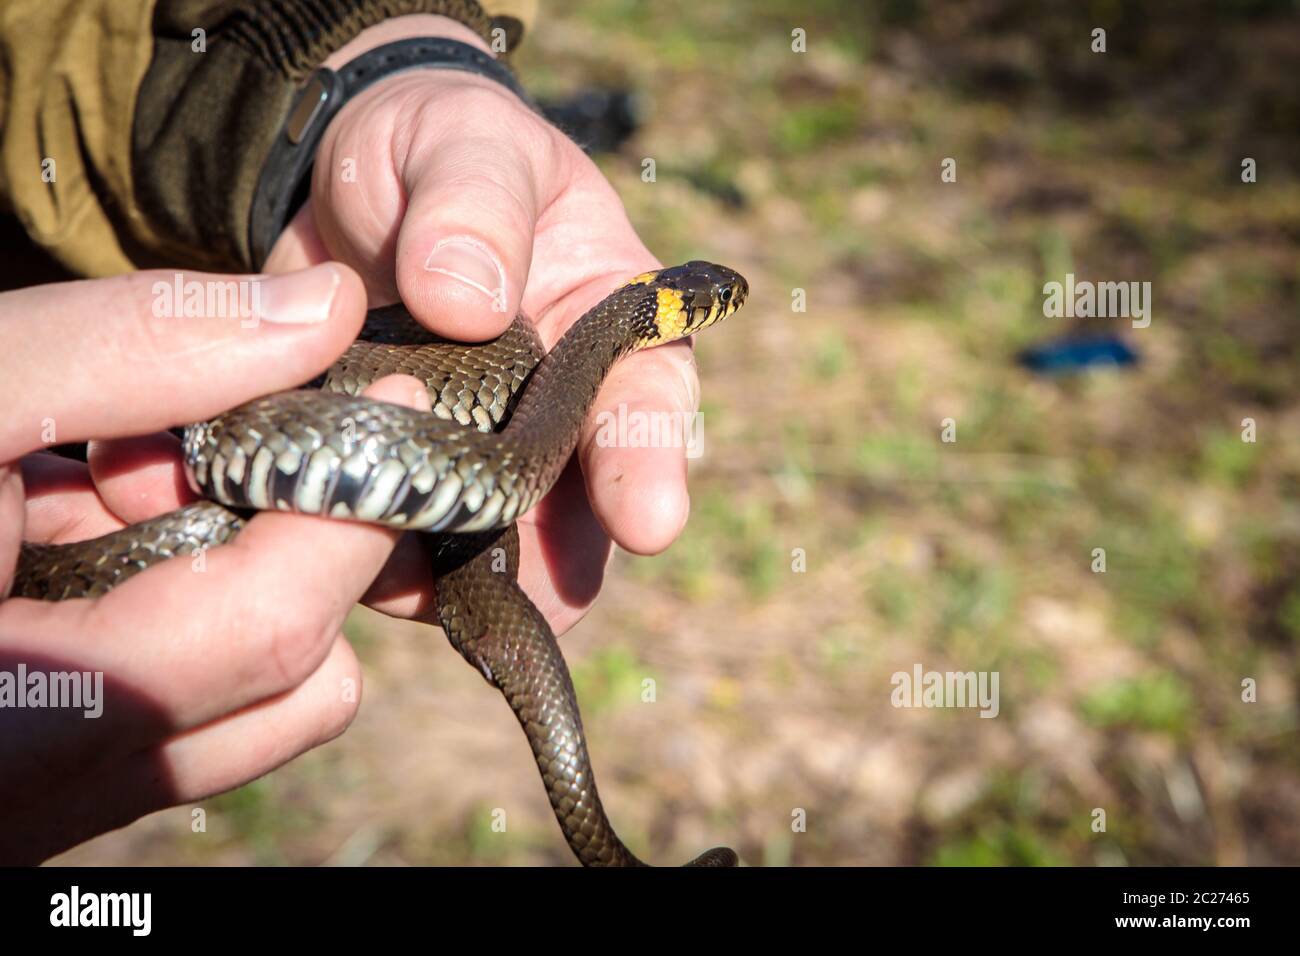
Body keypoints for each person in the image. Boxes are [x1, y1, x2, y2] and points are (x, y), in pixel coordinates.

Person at [0, 4, 704, 862]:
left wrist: (377, 70)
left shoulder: (545, 351)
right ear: (671, 311)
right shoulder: (546, 351)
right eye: (710, 308)